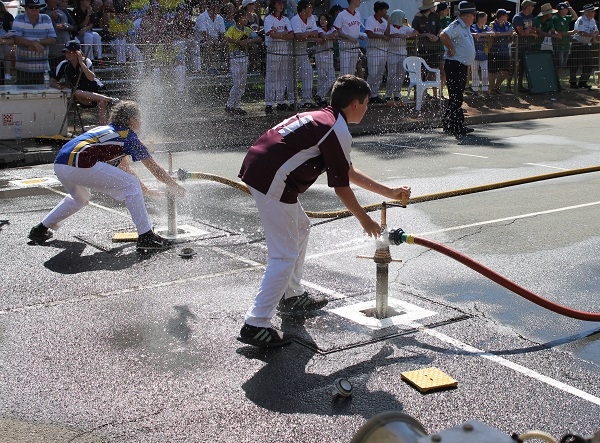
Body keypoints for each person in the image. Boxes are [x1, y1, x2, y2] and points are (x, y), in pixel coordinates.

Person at [237, 74, 411, 348]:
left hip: (264, 169)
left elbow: (347, 171)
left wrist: (389, 193)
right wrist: (365, 219)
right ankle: (256, 322)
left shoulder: (326, 119)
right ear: (355, 104)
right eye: (366, 103)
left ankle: (292, 294)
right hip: (271, 178)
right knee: (284, 255)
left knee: (302, 228)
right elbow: (341, 188)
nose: (368, 108)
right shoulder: (336, 129)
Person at [27, 100, 187, 252]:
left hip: (61, 164)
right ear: (132, 120)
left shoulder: (107, 130)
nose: (142, 121)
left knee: (80, 199)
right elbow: (154, 168)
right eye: (140, 118)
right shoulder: (129, 137)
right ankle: (146, 237)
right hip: (80, 163)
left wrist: (144, 190)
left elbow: (125, 167)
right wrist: (175, 186)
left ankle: (40, 229)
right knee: (130, 184)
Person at [51, 40, 118, 125]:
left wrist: (81, 63)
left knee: (101, 101)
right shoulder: (64, 65)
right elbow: (52, 81)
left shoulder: (86, 61)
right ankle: (110, 100)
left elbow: (91, 78)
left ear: (77, 53)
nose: (67, 54)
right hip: (82, 96)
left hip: (96, 90)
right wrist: (57, 85)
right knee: (77, 92)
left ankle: (103, 128)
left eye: (70, 52)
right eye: (66, 52)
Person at [440, 1, 476, 137]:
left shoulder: (465, 26)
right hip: (455, 64)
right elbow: (443, 35)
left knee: (456, 96)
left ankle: (449, 123)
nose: (473, 17)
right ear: (466, 15)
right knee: (456, 96)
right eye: (472, 15)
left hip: (460, 65)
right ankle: (456, 125)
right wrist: (450, 48)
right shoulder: (456, 25)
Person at [224, 9, 262, 115]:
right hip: (234, 59)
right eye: (244, 17)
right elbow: (226, 38)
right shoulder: (232, 29)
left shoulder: (247, 30)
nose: (246, 19)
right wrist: (239, 42)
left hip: (244, 58)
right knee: (237, 83)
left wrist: (248, 41)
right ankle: (229, 105)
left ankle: (237, 106)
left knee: (242, 83)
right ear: (239, 19)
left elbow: (259, 38)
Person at [12, 0, 57, 85]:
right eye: (31, 7)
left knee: (43, 96)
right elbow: (16, 39)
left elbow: (53, 39)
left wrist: (36, 42)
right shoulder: (19, 18)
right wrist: (35, 44)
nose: (34, 9)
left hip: (43, 68)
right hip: (23, 68)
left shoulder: (46, 18)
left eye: (37, 7)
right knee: (23, 95)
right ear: (25, 8)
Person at [263, 0, 294, 113]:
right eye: (278, 3)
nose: (281, 5)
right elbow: (272, 35)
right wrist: (284, 33)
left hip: (284, 50)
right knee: (271, 77)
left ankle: (280, 101)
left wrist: (280, 34)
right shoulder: (269, 19)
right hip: (273, 51)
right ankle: (269, 103)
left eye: (282, 3)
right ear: (273, 5)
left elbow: (291, 35)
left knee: (282, 76)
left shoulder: (286, 19)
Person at [290, 0, 320, 109]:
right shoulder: (295, 19)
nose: (311, 10)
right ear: (303, 9)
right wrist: (310, 35)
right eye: (309, 7)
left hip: (303, 51)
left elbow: (316, 33)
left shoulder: (311, 18)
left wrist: (306, 35)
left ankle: (306, 99)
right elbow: (298, 37)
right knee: (292, 76)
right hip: (292, 52)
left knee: (308, 73)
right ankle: (292, 100)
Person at [384, 9, 417, 103]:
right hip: (392, 53)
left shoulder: (404, 28)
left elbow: (416, 32)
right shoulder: (389, 27)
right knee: (391, 74)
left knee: (401, 74)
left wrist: (406, 36)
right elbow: (387, 35)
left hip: (402, 53)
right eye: (402, 17)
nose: (404, 19)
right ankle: (388, 94)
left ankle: (397, 93)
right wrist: (394, 35)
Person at [412, 0, 442, 98]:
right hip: (422, 47)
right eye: (433, 6)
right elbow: (415, 32)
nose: (434, 8)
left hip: (435, 48)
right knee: (421, 71)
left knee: (434, 70)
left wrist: (438, 36)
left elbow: (440, 29)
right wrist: (426, 35)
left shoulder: (435, 16)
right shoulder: (417, 18)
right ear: (428, 7)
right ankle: (419, 92)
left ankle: (433, 93)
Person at [41, 0, 78, 73]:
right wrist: (51, 20)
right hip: (50, 52)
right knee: (53, 75)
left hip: (65, 51)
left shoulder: (63, 11)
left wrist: (65, 26)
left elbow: (75, 27)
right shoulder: (42, 12)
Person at [364, 1, 390, 103]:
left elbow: (387, 34)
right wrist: (381, 36)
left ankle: (374, 94)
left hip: (383, 50)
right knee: (373, 73)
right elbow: (369, 34)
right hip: (373, 50)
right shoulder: (370, 19)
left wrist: (389, 23)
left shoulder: (384, 21)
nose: (386, 12)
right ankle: (367, 94)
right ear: (379, 10)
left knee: (380, 73)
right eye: (384, 10)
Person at [568, 3, 598, 90]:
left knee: (589, 64)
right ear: (588, 12)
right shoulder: (581, 20)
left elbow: (596, 31)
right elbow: (581, 32)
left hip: (586, 44)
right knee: (575, 64)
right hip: (578, 44)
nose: (594, 13)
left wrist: (594, 35)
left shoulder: (593, 20)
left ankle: (583, 82)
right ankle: (573, 83)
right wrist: (591, 36)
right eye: (593, 11)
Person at [512, 0, 538, 93]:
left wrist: (529, 30)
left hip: (527, 45)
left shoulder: (531, 16)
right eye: (532, 6)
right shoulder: (518, 17)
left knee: (523, 66)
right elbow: (521, 33)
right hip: (518, 45)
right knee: (514, 66)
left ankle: (519, 85)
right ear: (527, 7)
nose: (533, 8)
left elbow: (534, 30)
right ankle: (509, 86)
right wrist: (530, 33)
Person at [195, 0, 226, 75]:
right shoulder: (202, 17)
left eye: (217, 7)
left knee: (226, 44)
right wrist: (214, 41)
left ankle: (225, 68)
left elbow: (222, 34)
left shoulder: (220, 18)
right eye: (213, 7)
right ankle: (211, 67)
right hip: (202, 41)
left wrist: (223, 41)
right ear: (209, 8)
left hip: (215, 40)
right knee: (209, 44)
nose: (215, 9)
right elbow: (204, 34)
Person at [488, 9, 515, 94]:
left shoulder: (508, 24)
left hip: (504, 51)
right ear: (501, 16)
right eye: (506, 15)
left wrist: (510, 33)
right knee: (492, 71)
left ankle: (497, 86)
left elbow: (513, 32)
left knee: (505, 72)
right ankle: (492, 89)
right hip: (493, 51)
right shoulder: (493, 24)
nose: (507, 17)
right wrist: (507, 33)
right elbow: (493, 33)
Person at [333, 0, 362, 76]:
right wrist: (348, 37)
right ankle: (341, 87)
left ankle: (349, 87)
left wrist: (359, 35)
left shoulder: (358, 14)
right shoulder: (342, 15)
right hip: (345, 46)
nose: (360, 1)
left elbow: (355, 30)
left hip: (355, 45)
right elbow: (335, 31)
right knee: (344, 71)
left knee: (352, 71)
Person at [314, 12, 337, 106]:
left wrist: (329, 37)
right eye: (321, 19)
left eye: (324, 19)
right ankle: (321, 99)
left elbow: (336, 35)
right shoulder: (318, 29)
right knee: (322, 77)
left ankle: (319, 95)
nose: (322, 21)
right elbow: (323, 37)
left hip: (329, 54)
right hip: (321, 54)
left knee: (331, 78)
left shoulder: (332, 28)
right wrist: (329, 37)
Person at [470, 11, 493, 96]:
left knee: (485, 71)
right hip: (474, 52)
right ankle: (475, 89)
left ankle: (485, 89)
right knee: (474, 71)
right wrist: (475, 34)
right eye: (485, 19)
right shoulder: (473, 27)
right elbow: (470, 33)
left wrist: (481, 34)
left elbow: (492, 33)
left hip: (484, 52)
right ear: (480, 18)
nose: (486, 20)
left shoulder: (486, 27)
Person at [551, 2, 577, 72]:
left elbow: (575, 16)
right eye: (566, 9)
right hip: (559, 45)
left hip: (565, 45)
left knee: (563, 65)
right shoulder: (556, 18)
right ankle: (556, 80)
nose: (567, 11)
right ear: (562, 10)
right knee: (559, 64)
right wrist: (570, 33)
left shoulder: (565, 18)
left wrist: (569, 6)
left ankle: (559, 80)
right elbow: (558, 31)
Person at [0, 1, 15, 82]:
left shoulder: (8, 15)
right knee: (1, 57)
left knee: (7, 56)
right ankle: (3, 73)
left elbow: (13, 26)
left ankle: (7, 73)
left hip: (7, 39)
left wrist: (11, 35)